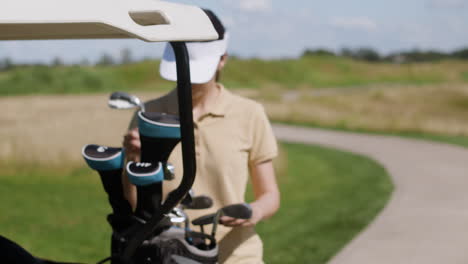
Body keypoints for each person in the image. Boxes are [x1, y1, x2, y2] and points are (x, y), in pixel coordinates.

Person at [122, 9, 280, 264]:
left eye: (197, 72)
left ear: (222, 60)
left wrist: (254, 211)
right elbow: (132, 204)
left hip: (237, 254)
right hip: (167, 253)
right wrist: (134, 158)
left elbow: (270, 195)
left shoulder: (250, 114)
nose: (188, 81)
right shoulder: (148, 114)